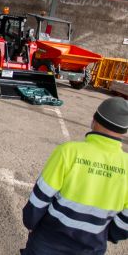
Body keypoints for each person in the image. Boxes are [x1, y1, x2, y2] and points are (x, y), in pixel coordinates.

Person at [21, 96, 128, 255]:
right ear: (123, 131)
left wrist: (31, 224)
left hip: (48, 242)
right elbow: (124, 224)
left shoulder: (68, 152)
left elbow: (39, 200)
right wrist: (103, 235)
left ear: (94, 120)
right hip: (92, 248)